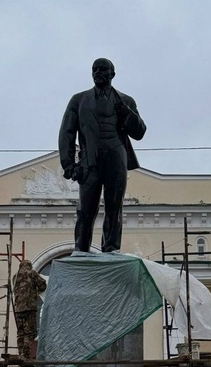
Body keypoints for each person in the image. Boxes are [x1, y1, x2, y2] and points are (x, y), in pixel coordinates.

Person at [58, 58, 146, 253]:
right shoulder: (79, 100)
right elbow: (67, 132)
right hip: (90, 161)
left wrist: (126, 113)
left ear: (112, 74)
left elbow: (139, 132)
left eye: (103, 69)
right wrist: (68, 163)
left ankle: (111, 249)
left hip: (116, 158)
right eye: (95, 69)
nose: (98, 72)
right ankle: (81, 250)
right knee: (85, 210)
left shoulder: (126, 101)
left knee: (114, 208)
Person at [12, 259, 47, 357]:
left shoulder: (15, 277)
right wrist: (36, 289)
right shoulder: (31, 273)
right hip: (29, 307)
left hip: (18, 309)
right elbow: (43, 285)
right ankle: (25, 355)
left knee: (21, 333)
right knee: (30, 333)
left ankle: (20, 353)